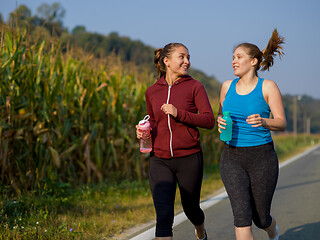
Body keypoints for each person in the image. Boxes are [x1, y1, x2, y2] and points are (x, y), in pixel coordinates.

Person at [136, 43, 215, 240]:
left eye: (188, 57)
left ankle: (200, 230)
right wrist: (144, 132)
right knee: (163, 216)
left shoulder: (195, 86)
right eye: (182, 57)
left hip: (189, 157)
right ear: (167, 61)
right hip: (159, 159)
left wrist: (179, 113)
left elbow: (208, 120)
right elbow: (153, 121)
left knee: (191, 209)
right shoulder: (152, 91)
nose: (187, 61)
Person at [217, 29, 286, 240]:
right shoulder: (227, 86)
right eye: (232, 58)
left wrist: (264, 121)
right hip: (232, 157)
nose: (233, 61)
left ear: (254, 61)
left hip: (262, 157)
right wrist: (219, 121)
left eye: (238, 57)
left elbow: (281, 123)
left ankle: (272, 232)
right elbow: (222, 114)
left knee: (261, 218)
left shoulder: (268, 87)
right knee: (241, 217)